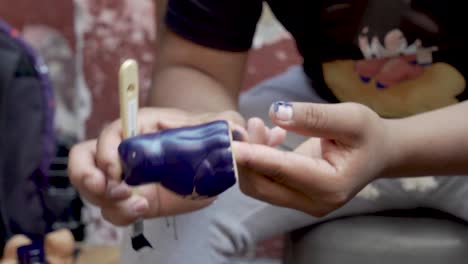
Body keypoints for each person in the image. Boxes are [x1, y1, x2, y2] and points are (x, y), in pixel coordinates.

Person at [68, 0, 468, 263]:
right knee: (163, 226)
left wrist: (394, 145)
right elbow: (198, 65)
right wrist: (195, 137)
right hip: (323, 107)